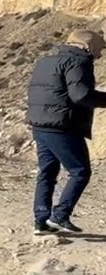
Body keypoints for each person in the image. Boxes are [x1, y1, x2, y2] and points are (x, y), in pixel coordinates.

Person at [26, 28, 106, 235]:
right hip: (63, 127)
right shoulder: (79, 62)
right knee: (80, 172)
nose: (100, 53)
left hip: (40, 126)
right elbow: (81, 96)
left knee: (47, 173)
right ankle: (60, 216)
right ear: (87, 47)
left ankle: (41, 221)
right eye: (99, 48)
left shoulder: (45, 62)